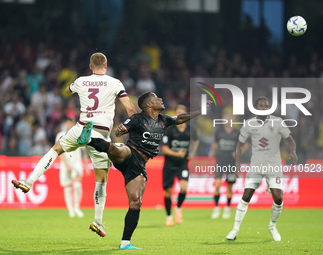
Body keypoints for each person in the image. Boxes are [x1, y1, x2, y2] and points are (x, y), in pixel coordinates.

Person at [12, 52, 136, 238]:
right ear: (106, 65)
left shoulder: (82, 81)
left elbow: (66, 91)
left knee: (55, 150)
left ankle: (28, 182)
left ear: (90, 66)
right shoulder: (115, 83)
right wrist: (128, 127)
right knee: (101, 180)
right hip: (102, 133)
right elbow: (130, 108)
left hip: (82, 127)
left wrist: (75, 89)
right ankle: (98, 222)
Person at [77, 92, 211, 249]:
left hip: (140, 164)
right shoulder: (137, 118)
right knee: (120, 149)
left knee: (136, 202)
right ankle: (88, 140)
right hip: (129, 154)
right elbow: (122, 128)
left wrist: (200, 111)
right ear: (149, 104)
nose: (160, 99)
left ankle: (125, 243)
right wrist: (120, 131)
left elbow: (180, 119)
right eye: (156, 98)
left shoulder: (164, 120)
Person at [226, 96, 298, 242]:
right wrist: (237, 163)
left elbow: (291, 140)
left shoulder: (277, 122)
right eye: (261, 106)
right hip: (256, 165)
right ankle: (235, 229)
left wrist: (293, 151)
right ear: (255, 107)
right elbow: (239, 145)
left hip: (274, 166)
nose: (264, 108)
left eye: (266, 106)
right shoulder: (249, 124)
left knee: (278, 198)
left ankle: (272, 226)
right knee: (246, 196)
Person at [161, 104, 199, 226]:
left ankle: (178, 208)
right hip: (170, 164)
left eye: (182, 112)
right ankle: (168, 216)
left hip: (183, 164)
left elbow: (196, 140)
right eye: (178, 112)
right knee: (168, 192)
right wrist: (177, 154)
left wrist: (192, 152)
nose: (180, 115)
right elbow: (164, 149)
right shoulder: (170, 129)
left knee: (183, 187)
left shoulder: (190, 129)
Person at [209, 112, 249, 219]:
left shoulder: (237, 133)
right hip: (220, 161)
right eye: (225, 117)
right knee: (217, 184)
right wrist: (212, 151)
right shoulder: (219, 132)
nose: (227, 119)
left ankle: (227, 208)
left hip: (232, 162)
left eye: (230, 118)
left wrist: (238, 153)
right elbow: (215, 143)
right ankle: (216, 207)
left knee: (229, 186)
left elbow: (245, 145)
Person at [56, 118, 90, 218]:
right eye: (68, 122)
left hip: (77, 163)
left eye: (71, 123)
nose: (70, 124)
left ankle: (77, 207)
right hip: (66, 163)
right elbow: (58, 151)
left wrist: (87, 166)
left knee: (77, 185)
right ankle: (70, 209)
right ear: (65, 123)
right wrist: (66, 165)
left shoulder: (79, 134)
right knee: (67, 187)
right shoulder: (60, 135)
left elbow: (84, 151)